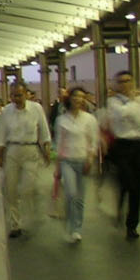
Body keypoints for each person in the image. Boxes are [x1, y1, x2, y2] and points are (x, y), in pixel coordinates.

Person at [104, 70, 140, 240]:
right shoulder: (113, 102)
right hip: (122, 146)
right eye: (120, 82)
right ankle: (119, 207)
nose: (125, 84)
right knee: (127, 182)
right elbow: (120, 115)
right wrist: (133, 105)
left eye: (128, 81)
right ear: (116, 85)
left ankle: (132, 225)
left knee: (137, 188)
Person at [0, 84, 52, 238]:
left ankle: (27, 216)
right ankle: (15, 224)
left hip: (30, 150)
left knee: (27, 188)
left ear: (26, 94)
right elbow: (1, 133)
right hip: (12, 150)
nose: (15, 99)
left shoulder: (36, 108)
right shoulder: (6, 112)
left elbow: (44, 129)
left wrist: (46, 149)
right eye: (12, 96)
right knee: (10, 189)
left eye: (18, 95)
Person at [53, 87, 100, 243]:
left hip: (83, 160)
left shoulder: (90, 119)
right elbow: (58, 143)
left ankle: (76, 228)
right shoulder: (61, 120)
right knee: (71, 194)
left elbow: (93, 141)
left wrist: (90, 159)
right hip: (67, 161)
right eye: (75, 96)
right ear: (70, 99)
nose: (78, 99)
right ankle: (70, 223)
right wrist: (57, 165)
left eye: (81, 97)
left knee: (80, 198)